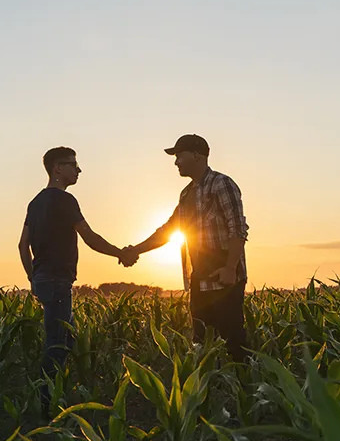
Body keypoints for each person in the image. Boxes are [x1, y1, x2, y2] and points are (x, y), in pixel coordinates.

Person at [19, 147, 137, 417]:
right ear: (57, 169)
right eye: (73, 164)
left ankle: (58, 394)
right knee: (57, 343)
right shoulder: (65, 200)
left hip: (46, 280)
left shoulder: (35, 202)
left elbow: (22, 245)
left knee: (67, 338)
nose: (79, 170)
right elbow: (89, 237)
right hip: (58, 280)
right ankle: (46, 407)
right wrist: (120, 253)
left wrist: (33, 277)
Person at [125, 134, 250, 362]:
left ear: (196, 155)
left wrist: (231, 268)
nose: (176, 162)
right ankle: (210, 392)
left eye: (179, 155)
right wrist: (135, 250)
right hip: (199, 279)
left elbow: (238, 228)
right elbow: (169, 230)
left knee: (233, 342)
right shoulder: (186, 194)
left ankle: (244, 391)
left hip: (224, 279)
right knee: (201, 345)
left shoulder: (222, 184)